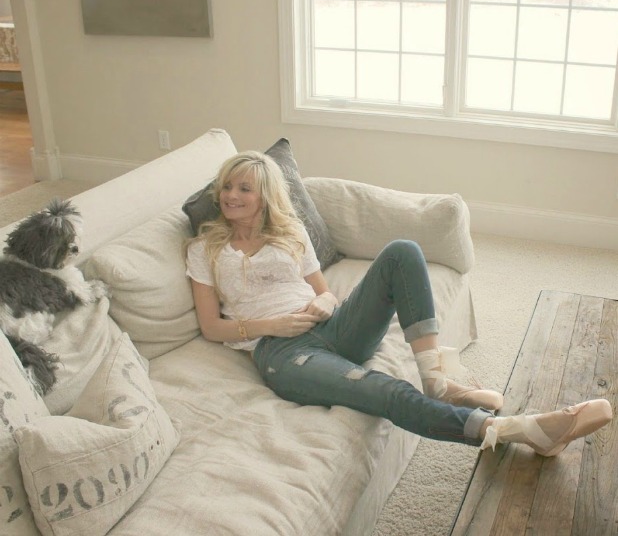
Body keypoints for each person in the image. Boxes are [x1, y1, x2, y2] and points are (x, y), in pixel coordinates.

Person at [186, 151, 612, 456]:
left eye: (244, 187)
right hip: (283, 351)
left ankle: (438, 380)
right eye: (227, 186)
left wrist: (323, 304)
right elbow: (211, 326)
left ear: (265, 197)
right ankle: (521, 431)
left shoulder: (291, 233)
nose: (231, 195)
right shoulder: (206, 248)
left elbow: (325, 291)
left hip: (332, 328)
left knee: (403, 251)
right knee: (386, 389)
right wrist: (272, 326)